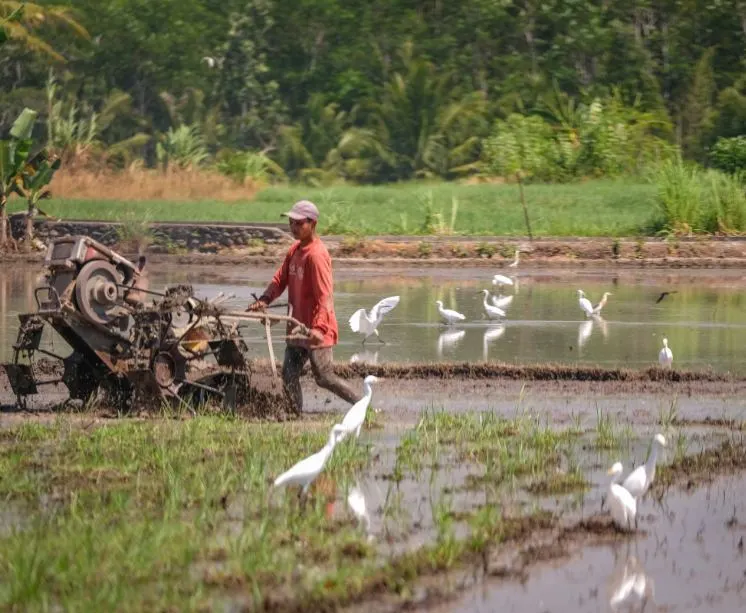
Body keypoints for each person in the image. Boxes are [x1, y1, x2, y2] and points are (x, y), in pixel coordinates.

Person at [247, 200, 363, 414]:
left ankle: (363, 407)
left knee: (324, 377)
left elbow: (324, 297)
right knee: (289, 374)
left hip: (316, 329)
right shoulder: (295, 250)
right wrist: (264, 299)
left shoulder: (316, 255)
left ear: (313, 224)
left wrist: (319, 329)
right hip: (297, 326)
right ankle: (293, 415)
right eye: (291, 223)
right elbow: (280, 279)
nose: (294, 228)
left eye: (299, 224)